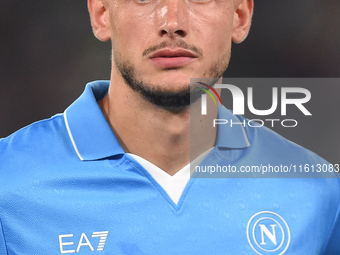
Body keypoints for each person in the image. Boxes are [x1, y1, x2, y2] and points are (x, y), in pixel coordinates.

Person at [0, 0, 339, 254]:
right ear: (101, 14)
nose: (172, 22)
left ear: (240, 16)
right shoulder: (9, 184)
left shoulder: (317, 192)